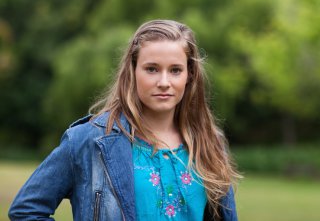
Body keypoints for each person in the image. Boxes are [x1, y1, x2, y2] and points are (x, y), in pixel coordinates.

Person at [9, 20, 240, 220]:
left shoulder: (211, 142)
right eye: (151, 69)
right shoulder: (89, 140)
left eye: (175, 70)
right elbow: (26, 210)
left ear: (190, 75)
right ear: (133, 70)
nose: (164, 81)